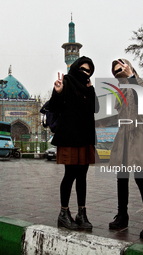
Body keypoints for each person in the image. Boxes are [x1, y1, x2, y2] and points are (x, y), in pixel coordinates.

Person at [49, 56, 99, 230]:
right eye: (83, 69)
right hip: (70, 137)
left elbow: (95, 108)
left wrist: (91, 88)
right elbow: (54, 106)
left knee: (82, 177)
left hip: (85, 137)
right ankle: (63, 213)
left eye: (89, 71)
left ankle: (81, 213)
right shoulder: (68, 81)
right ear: (76, 67)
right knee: (69, 175)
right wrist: (58, 91)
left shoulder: (87, 87)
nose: (85, 73)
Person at [108, 59, 143, 239]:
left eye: (121, 68)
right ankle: (122, 216)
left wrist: (131, 77)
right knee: (121, 178)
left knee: (141, 179)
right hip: (123, 135)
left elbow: (141, 100)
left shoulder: (140, 83)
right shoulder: (119, 89)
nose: (118, 72)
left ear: (129, 67)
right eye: (115, 71)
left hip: (138, 134)